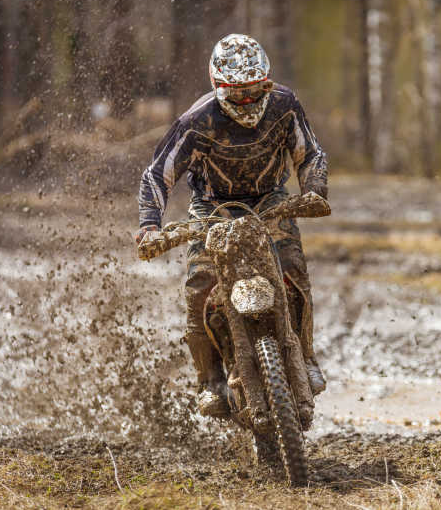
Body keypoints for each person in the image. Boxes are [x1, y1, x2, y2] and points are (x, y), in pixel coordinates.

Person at [135, 34, 327, 418]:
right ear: (219, 87)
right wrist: (149, 227)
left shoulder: (285, 105)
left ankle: (305, 356)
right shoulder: (196, 120)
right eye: (238, 93)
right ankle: (209, 380)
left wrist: (314, 191)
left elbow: (309, 153)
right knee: (199, 286)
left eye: (256, 91)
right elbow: (158, 175)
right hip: (212, 207)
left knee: (292, 268)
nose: (248, 100)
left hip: (271, 198)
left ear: (267, 84)